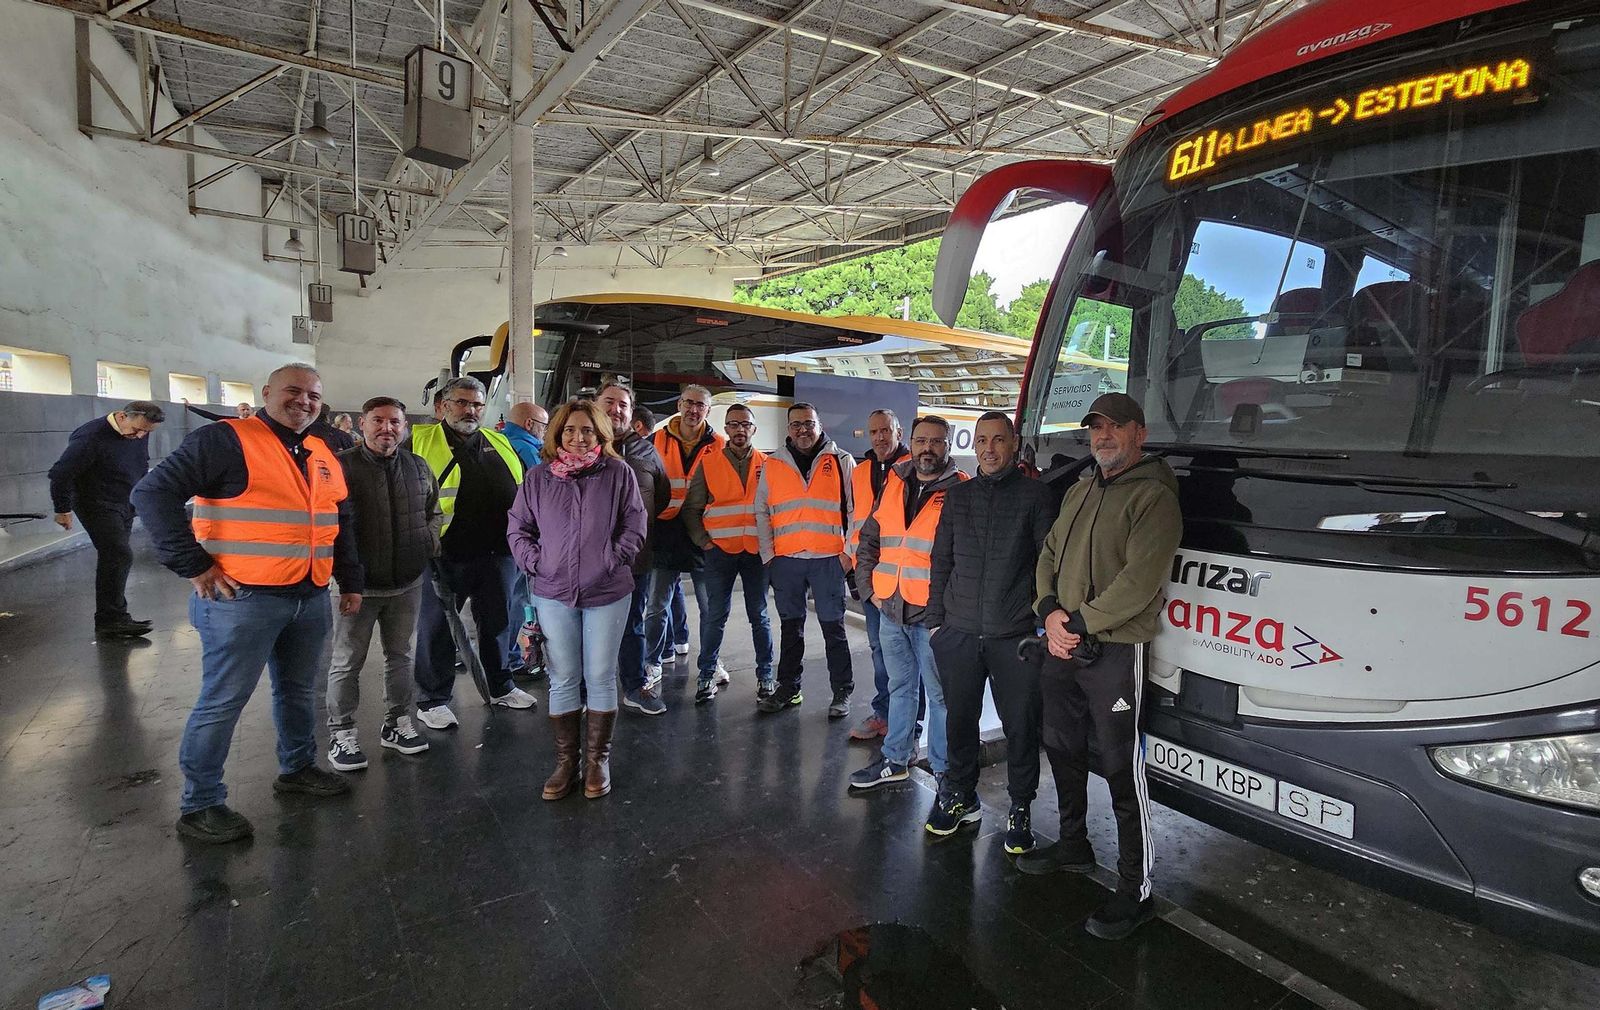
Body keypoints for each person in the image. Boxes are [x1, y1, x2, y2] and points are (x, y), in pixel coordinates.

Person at [132, 363, 358, 844]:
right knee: (222, 701)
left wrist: (350, 579)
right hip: (242, 599)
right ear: (267, 393)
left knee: (299, 693)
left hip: (309, 593)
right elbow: (151, 492)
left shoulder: (320, 448)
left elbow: (339, 518)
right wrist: (193, 565)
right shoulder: (225, 440)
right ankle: (201, 803)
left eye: (314, 395)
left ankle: (297, 769)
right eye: (293, 392)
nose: (304, 401)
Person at [1023, 392, 1183, 941]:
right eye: (1096, 428)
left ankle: (1135, 889)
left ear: (1140, 432)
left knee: (1121, 767)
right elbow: (1047, 555)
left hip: (1113, 652)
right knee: (1062, 747)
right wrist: (1048, 614)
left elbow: (1139, 583)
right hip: (1063, 643)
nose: (1103, 436)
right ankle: (1073, 844)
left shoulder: (1155, 497)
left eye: (1115, 427)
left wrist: (1077, 624)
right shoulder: (1082, 486)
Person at [924, 411, 1054, 851]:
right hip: (957, 631)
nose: (989, 448)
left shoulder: (1036, 497)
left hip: (1013, 635)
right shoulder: (957, 497)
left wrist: (1038, 622)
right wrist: (936, 622)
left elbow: (1046, 565)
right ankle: (960, 794)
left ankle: (1020, 806)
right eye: (982, 440)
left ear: (1013, 445)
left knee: (1020, 724)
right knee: (960, 720)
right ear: (973, 445)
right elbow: (941, 559)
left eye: (999, 440)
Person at [508, 398, 646, 800]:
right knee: (564, 676)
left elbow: (635, 523)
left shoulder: (618, 473)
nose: (578, 437)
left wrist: (612, 558)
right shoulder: (538, 478)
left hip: (607, 590)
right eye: (569, 430)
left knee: (601, 675)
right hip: (552, 591)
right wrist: (537, 562)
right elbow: (519, 528)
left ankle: (597, 760)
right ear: (557, 435)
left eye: (586, 430)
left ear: (599, 433)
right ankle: (567, 761)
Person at [409, 376, 536, 729]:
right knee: (437, 628)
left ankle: (500, 685)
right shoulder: (418, 442)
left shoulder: (498, 441)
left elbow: (524, 490)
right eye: (462, 402)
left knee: (498, 622)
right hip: (445, 554)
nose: (471, 410)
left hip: (500, 552)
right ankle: (432, 699)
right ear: (442, 407)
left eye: (477, 404)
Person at [324, 396, 443, 771]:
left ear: (404, 427)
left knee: (400, 657)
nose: (386, 428)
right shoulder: (340, 468)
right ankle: (341, 732)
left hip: (406, 583)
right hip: (355, 587)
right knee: (347, 662)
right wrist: (342, 577)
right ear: (362, 424)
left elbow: (433, 512)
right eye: (378, 421)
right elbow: (327, 524)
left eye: (395, 422)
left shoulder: (418, 466)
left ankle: (397, 723)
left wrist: (427, 544)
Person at [849, 417, 965, 790]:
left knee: (941, 697)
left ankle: (945, 772)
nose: (926, 448)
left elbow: (966, 558)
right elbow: (870, 539)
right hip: (891, 610)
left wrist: (947, 611)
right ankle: (896, 758)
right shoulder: (895, 481)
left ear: (948, 445)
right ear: (910, 443)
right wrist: (871, 591)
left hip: (933, 619)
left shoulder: (962, 491)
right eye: (920, 441)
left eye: (935, 441)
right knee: (900, 690)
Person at [753, 402, 856, 716]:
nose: (803, 429)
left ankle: (841, 692)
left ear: (819, 424)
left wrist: (847, 555)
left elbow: (855, 511)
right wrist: (769, 555)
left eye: (808, 423)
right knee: (790, 629)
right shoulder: (773, 464)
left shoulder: (841, 461)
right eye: (796, 424)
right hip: (787, 562)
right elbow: (762, 511)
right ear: (788, 428)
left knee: (833, 629)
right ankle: (789, 689)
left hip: (829, 561)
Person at [48, 401, 166, 638]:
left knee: (116, 557)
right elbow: (60, 474)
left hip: (124, 501)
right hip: (96, 503)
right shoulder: (91, 437)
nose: (140, 436)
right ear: (122, 417)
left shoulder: (139, 431)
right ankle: (112, 619)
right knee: (118, 554)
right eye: (137, 430)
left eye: (146, 432)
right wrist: (62, 509)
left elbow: (140, 463)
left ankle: (111, 618)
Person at [680, 402, 773, 703]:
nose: (739, 429)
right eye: (733, 424)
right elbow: (692, 509)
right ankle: (706, 674)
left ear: (754, 429)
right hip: (719, 551)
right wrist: (703, 540)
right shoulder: (709, 464)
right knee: (715, 615)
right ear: (726, 429)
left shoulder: (768, 465)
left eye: (745, 424)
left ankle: (766, 676)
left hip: (757, 552)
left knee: (759, 615)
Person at [643, 385, 725, 685]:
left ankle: (712, 662)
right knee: (656, 606)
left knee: (711, 608)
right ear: (679, 404)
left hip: (704, 533)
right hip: (664, 533)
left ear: (708, 409)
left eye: (699, 405)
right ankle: (650, 662)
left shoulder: (719, 444)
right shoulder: (655, 440)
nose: (693, 410)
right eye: (688, 403)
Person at [600, 385, 670, 716]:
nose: (616, 409)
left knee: (632, 624)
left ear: (632, 411)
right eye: (609, 402)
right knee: (586, 626)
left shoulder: (646, 451)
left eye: (623, 405)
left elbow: (663, 496)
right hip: (586, 559)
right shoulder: (580, 444)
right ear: (596, 405)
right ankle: (587, 690)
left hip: (634, 558)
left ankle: (633, 685)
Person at [846, 408, 911, 741]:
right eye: (874, 432)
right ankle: (885, 713)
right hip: (871, 578)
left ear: (898, 431)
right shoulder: (860, 472)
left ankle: (908, 725)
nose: (881, 437)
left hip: (907, 581)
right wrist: (853, 569)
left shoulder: (915, 468)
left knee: (909, 660)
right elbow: (855, 522)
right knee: (878, 649)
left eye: (886, 430)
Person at [501, 401, 550, 675]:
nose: (545, 432)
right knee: (521, 600)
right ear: (530, 424)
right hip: (525, 540)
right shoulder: (529, 451)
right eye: (543, 426)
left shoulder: (498, 443)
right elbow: (543, 495)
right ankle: (516, 660)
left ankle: (504, 658)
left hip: (504, 535)